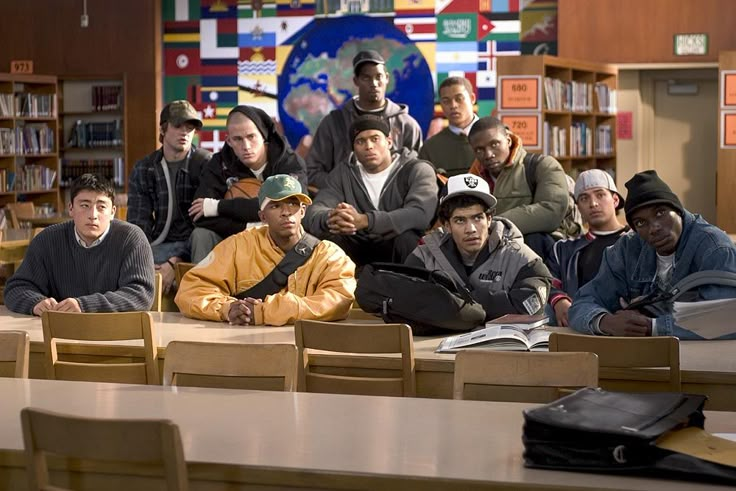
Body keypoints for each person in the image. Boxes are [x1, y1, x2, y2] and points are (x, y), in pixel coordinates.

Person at [568, 170, 736, 339]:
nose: (654, 228)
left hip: (705, 359)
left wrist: (653, 327)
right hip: (642, 355)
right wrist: (605, 322)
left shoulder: (716, 248)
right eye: (641, 223)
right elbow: (582, 302)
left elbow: (726, 319)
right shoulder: (626, 249)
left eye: (660, 213)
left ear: (677, 210)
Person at [175, 174, 356, 325]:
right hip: (247, 350)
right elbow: (191, 290)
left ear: (303, 211)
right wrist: (227, 309)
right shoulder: (238, 246)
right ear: (262, 216)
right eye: (276, 205)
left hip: (308, 350)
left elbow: (338, 301)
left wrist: (263, 312)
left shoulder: (330, 256)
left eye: (293, 204)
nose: (286, 212)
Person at [405, 174, 552, 321]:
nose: (471, 229)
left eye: (477, 218)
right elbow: (408, 304)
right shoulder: (423, 257)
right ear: (447, 226)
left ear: (489, 219)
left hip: (502, 343)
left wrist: (452, 300)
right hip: (436, 342)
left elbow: (527, 308)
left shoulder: (524, 259)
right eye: (460, 220)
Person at [5, 174, 155, 315]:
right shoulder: (47, 240)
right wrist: (35, 303)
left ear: (112, 212)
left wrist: (84, 305)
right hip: (59, 333)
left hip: (117, 335)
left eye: (101, 207)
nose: (93, 215)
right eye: (84, 205)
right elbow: (16, 288)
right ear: (71, 208)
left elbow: (140, 294)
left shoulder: (132, 239)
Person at [304, 115, 438, 266]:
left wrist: (366, 221)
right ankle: (337, 288)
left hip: (398, 245)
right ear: (353, 148)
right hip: (357, 245)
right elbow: (313, 213)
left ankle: (412, 287)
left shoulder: (417, 169)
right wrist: (333, 217)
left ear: (389, 141)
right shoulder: (343, 174)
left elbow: (420, 214)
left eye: (375, 139)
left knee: (408, 238)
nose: (368, 146)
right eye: (360, 141)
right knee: (331, 241)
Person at [188, 105, 307, 262]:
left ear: (263, 136)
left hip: (279, 239)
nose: (246, 146)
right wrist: (249, 227)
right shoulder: (218, 164)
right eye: (237, 139)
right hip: (232, 240)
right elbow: (199, 214)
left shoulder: (289, 162)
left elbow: (289, 206)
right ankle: (202, 286)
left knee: (293, 229)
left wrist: (218, 207)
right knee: (201, 234)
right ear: (228, 141)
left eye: (251, 137)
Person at [306, 49, 423, 191]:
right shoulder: (334, 123)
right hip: (344, 206)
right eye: (366, 78)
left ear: (387, 78)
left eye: (378, 77)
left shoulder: (407, 125)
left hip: (394, 208)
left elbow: (419, 173)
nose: (374, 83)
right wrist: (345, 187)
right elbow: (312, 171)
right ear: (356, 81)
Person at [127, 100, 212, 294]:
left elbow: (208, 225)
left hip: (196, 245)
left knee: (202, 239)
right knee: (126, 261)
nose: (185, 132)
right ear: (163, 129)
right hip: (159, 245)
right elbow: (138, 224)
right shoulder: (145, 168)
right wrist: (143, 261)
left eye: (190, 127)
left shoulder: (205, 164)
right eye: (177, 125)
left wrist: (175, 263)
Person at [467, 116, 569, 258]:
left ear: (508, 140)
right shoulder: (472, 180)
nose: (488, 154)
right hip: (490, 257)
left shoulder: (541, 166)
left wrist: (493, 224)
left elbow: (552, 211)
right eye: (479, 150)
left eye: (494, 144)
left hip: (540, 257)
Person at [547, 169, 629, 326]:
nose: (593, 204)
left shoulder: (637, 241)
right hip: (577, 321)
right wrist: (559, 300)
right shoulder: (563, 249)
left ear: (615, 200)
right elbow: (547, 283)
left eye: (600, 195)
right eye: (584, 198)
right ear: (578, 207)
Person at [419, 76, 478, 177]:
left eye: (459, 99)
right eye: (446, 101)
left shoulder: (495, 137)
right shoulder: (430, 148)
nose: (453, 105)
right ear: (441, 104)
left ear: (472, 98)